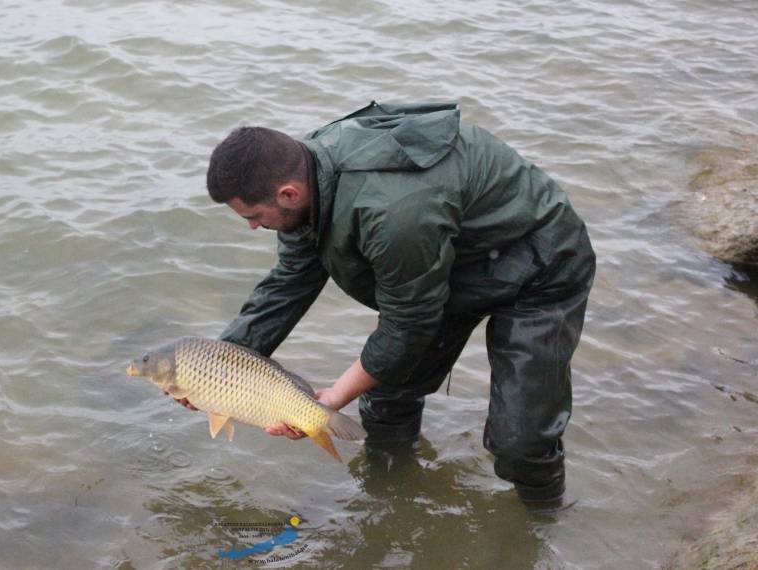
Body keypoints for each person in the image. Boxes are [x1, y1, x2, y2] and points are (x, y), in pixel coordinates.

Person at [201, 100, 595, 503]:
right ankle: (391, 498)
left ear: (288, 193)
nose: (252, 227)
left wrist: (333, 398)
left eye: (252, 215)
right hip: (449, 263)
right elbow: (290, 281)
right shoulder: (307, 175)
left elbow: (408, 323)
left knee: (520, 441)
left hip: (539, 266)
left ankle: (542, 523)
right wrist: (215, 366)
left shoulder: (390, 212)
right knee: (386, 398)